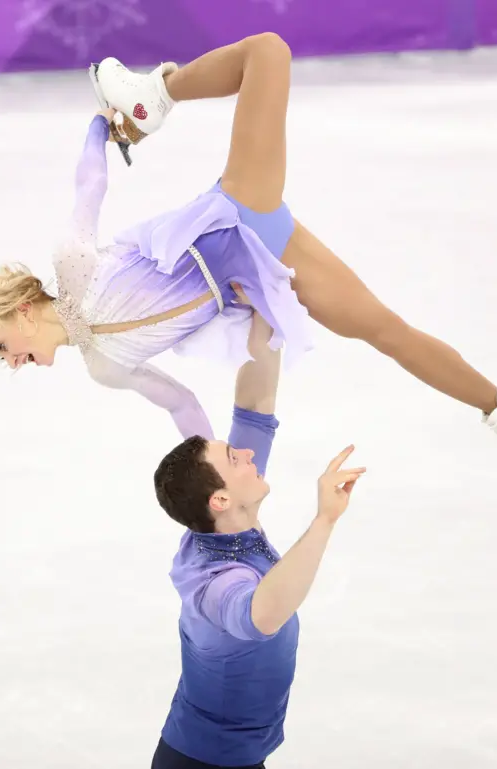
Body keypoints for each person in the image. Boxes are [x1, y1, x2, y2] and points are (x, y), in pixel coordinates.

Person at [0, 33, 497, 490]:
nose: (13, 362)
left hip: (236, 215)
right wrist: (212, 469)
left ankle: (153, 95)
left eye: (1, 346)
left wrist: (101, 127)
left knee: (269, 53)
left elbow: (88, 188)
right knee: (385, 330)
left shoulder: (72, 266)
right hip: (258, 273)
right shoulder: (103, 368)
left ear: (20, 310)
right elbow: (181, 403)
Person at [151, 307, 365, 769]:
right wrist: (324, 519)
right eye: (235, 457)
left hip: (234, 757)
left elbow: (254, 402)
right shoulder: (215, 584)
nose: (248, 453)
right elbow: (262, 615)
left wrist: (263, 310)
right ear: (221, 499)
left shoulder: (224, 514)